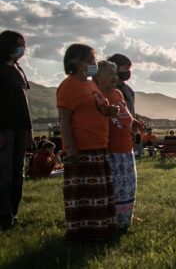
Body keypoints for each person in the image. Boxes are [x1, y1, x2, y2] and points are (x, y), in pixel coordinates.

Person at [57, 43, 117, 241]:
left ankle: (102, 229)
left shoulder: (90, 83)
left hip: (98, 145)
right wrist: (71, 148)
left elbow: (96, 108)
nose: (94, 64)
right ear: (76, 62)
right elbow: (64, 119)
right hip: (82, 148)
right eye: (90, 60)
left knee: (100, 192)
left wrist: (109, 111)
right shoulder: (69, 86)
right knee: (84, 193)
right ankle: (83, 233)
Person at [94, 60, 138, 229]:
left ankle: (125, 220)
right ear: (98, 75)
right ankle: (112, 221)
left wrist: (134, 122)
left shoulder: (118, 93)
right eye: (110, 74)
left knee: (128, 186)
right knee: (115, 187)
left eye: (115, 74)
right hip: (111, 149)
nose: (114, 77)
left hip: (126, 147)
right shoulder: (96, 95)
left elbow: (126, 114)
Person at [0, 30, 32, 230]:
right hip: (4, 128)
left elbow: (23, 103)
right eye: (18, 44)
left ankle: (13, 213)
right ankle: (3, 215)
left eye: (24, 44)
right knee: (4, 172)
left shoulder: (17, 70)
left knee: (17, 173)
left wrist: (29, 130)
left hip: (21, 127)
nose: (22, 48)